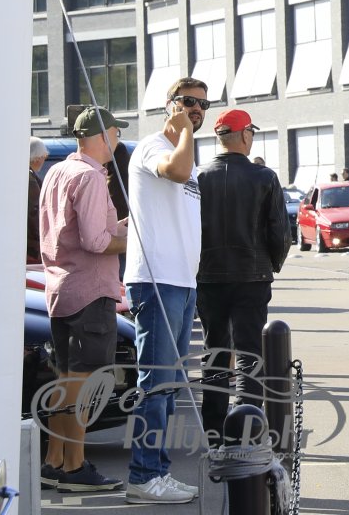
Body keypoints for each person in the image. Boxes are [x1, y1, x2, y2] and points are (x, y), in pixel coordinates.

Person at [123, 76, 207, 504]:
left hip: (182, 282)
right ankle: (143, 476)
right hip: (157, 280)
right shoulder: (152, 146)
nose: (197, 109)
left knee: (169, 387)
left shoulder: (186, 152)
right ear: (170, 105)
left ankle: (158, 470)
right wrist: (186, 130)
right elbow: (176, 171)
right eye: (188, 102)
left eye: (203, 104)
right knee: (154, 384)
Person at [37, 106, 130, 493]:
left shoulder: (56, 171)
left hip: (61, 288)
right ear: (104, 135)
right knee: (83, 382)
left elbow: (78, 233)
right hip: (90, 291)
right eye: (116, 134)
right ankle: (74, 468)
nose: (118, 141)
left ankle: (55, 461)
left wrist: (120, 228)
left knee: (66, 379)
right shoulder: (90, 176)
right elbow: (95, 241)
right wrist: (134, 239)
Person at [195, 109, 291, 442]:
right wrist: (272, 264)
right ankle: (246, 424)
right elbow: (280, 231)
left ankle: (213, 428)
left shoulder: (198, 177)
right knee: (250, 352)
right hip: (252, 274)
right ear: (245, 135)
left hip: (208, 275)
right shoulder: (264, 177)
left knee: (215, 349)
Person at [28, 135, 48, 265]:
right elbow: (35, 213)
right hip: (32, 248)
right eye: (44, 156)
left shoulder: (24, 174)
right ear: (37, 157)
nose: (44, 160)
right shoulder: (29, 179)